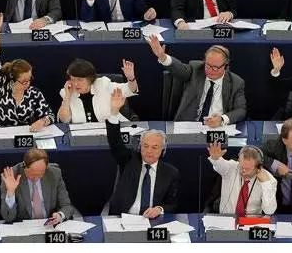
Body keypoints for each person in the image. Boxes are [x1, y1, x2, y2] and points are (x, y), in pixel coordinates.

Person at [106, 89, 180, 218]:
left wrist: (160, 209)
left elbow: (172, 204)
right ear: (140, 147)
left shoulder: (171, 173)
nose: (149, 151)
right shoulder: (128, 160)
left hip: (152, 221)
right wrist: (114, 112)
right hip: (124, 218)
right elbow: (115, 142)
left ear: (163, 150)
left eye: (155, 147)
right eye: (145, 146)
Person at [147, 36, 246, 127]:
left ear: (225, 66)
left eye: (215, 67)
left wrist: (222, 119)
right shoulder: (195, 69)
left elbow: (241, 110)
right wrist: (163, 57)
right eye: (208, 65)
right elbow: (179, 68)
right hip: (188, 125)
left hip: (216, 127)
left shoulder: (236, 82)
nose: (210, 70)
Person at [0, 13, 55, 128]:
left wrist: (43, 121)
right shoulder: (0, 84)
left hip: (25, 134)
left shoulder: (34, 93)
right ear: (13, 79)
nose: (28, 84)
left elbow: (50, 115)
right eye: (24, 81)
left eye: (29, 79)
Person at [0, 148, 74, 223]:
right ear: (24, 166)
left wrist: (60, 215)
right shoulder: (11, 177)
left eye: (40, 174)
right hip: (24, 226)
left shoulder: (54, 174)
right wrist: (11, 192)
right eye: (32, 174)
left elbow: (66, 206)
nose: (36, 178)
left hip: (49, 224)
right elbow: (8, 217)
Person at [58, 58, 138, 123]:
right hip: (83, 134)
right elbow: (64, 120)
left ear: (90, 79)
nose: (75, 84)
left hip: (111, 128)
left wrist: (131, 79)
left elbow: (130, 90)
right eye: (73, 79)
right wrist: (67, 97)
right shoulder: (67, 92)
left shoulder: (103, 84)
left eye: (80, 80)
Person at [207, 144, 277, 215]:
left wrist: (265, 183)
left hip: (252, 219)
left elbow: (269, 211)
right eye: (241, 167)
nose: (243, 171)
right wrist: (216, 159)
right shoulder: (232, 167)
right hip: (227, 218)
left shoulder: (269, 180)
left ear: (259, 167)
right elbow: (220, 165)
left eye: (248, 169)